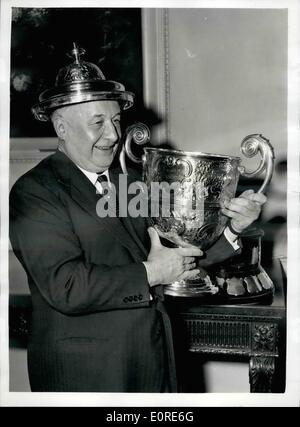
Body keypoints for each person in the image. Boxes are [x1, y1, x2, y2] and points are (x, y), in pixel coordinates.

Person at [9, 45, 266, 392]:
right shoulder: (34, 191)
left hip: (152, 361)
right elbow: (66, 286)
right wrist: (153, 271)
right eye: (98, 123)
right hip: (86, 376)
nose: (114, 135)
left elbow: (180, 254)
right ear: (62, 128)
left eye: (116, 121)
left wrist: (234, 228)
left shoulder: (129, 183)